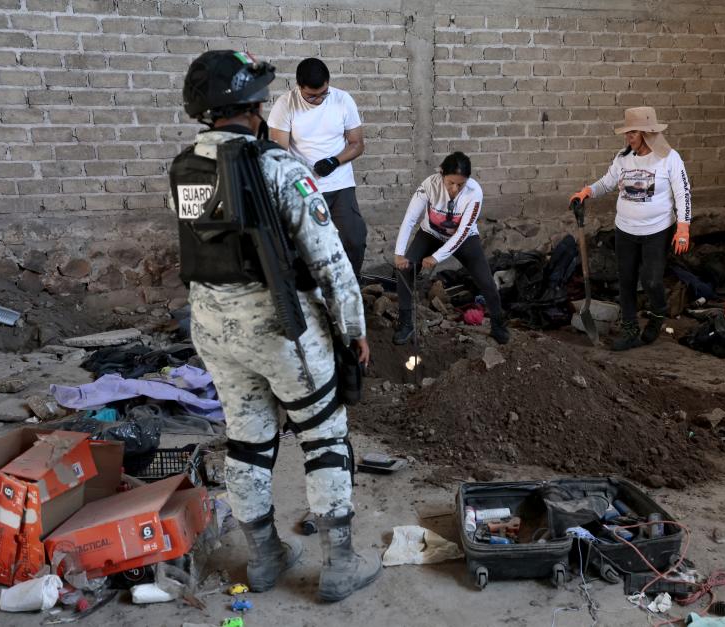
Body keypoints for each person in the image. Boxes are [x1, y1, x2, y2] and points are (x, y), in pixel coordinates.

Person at [171, 50, 380, 601]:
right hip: (280, 327)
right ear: (255, 105)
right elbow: (330, 260)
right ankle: (339, 565)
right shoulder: (281, 168)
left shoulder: (186, 166)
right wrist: (354, 329)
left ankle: (265, 560)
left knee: (247, 442)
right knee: (324, 436)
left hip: (214, 330)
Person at [570, 106, 692, 351]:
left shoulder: (669, 158)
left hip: (656, 231)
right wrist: (587, 192)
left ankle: (658, 313)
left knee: (652, 281)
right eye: (627, 133)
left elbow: (683, 192)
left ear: (647, 133)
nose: (628, 137)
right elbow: (608, 181)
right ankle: (629, 330)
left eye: (632, 132)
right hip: (625, 229)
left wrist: (683, 227)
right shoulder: (623, 157)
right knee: (625, 281)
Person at [393, 152, 509, 345]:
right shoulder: (429, 185)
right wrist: (399, 253)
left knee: (486, 282)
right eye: (450, 183)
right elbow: (410, 219)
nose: (455, 189)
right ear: (441, 175)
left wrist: (437, 257)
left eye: (460, 184)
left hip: (464, 238)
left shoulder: (474, 192)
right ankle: (405, 324)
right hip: (430, 233)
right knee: (405, 270)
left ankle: (498, 324)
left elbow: (462, 233)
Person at [268, 58, 367, 277]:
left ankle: (350, 288)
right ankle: (310, 296)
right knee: (305, 246)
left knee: (354, 238)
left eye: (324, 93)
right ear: (299, 86)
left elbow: (357, 144)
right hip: (304, 187)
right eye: (311, 96)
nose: (319, 99)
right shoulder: (285, 105)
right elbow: (278, 153)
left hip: (339, 183)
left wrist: (335, 161)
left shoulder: (342, 100)